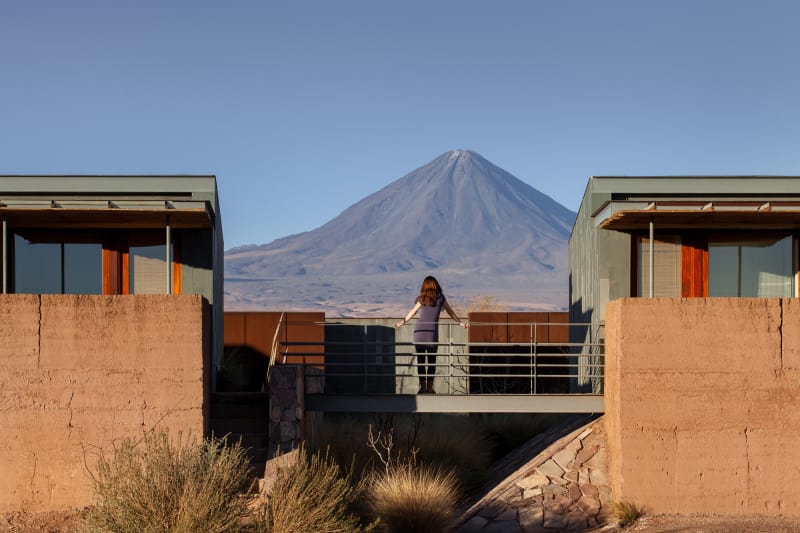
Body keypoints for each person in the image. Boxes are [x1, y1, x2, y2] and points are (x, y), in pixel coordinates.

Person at [395, 276, 468, 394]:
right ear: (436, 285)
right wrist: (461, 323)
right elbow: (451, 312)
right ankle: (429, 387)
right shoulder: (441, 298)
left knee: (421, 361)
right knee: (432, 360)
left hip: (419, 332)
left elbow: (412, 312)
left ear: (424, 286)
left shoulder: (422, 299)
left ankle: (422, 387)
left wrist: (402, 322)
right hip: (432, 333)